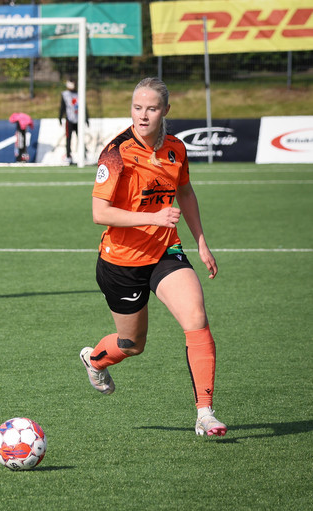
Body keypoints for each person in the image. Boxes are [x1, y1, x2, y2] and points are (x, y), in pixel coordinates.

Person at [80, 77, 227, 437]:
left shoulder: (176, 148)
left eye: (151, 108)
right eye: (137, 108)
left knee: (196, 318)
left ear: (165, 111)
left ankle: (205, 414)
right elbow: (99, 213)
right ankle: (95, 359)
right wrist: (153, 218)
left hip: (165, 251)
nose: (143, 115)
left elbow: (185, 192)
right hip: (120, 262)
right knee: (132, 344)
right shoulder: (116, 152)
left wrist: (201, 242)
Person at [58, 79, 87, 165]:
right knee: (68, 138)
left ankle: (83, 155)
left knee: (80, 138)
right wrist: (60, 117)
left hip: (79, 120)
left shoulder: (79, 94)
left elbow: (84, 107)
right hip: (69, 119)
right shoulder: (65, 94)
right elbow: (63, 107)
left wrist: (86, 118)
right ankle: (68, 156)